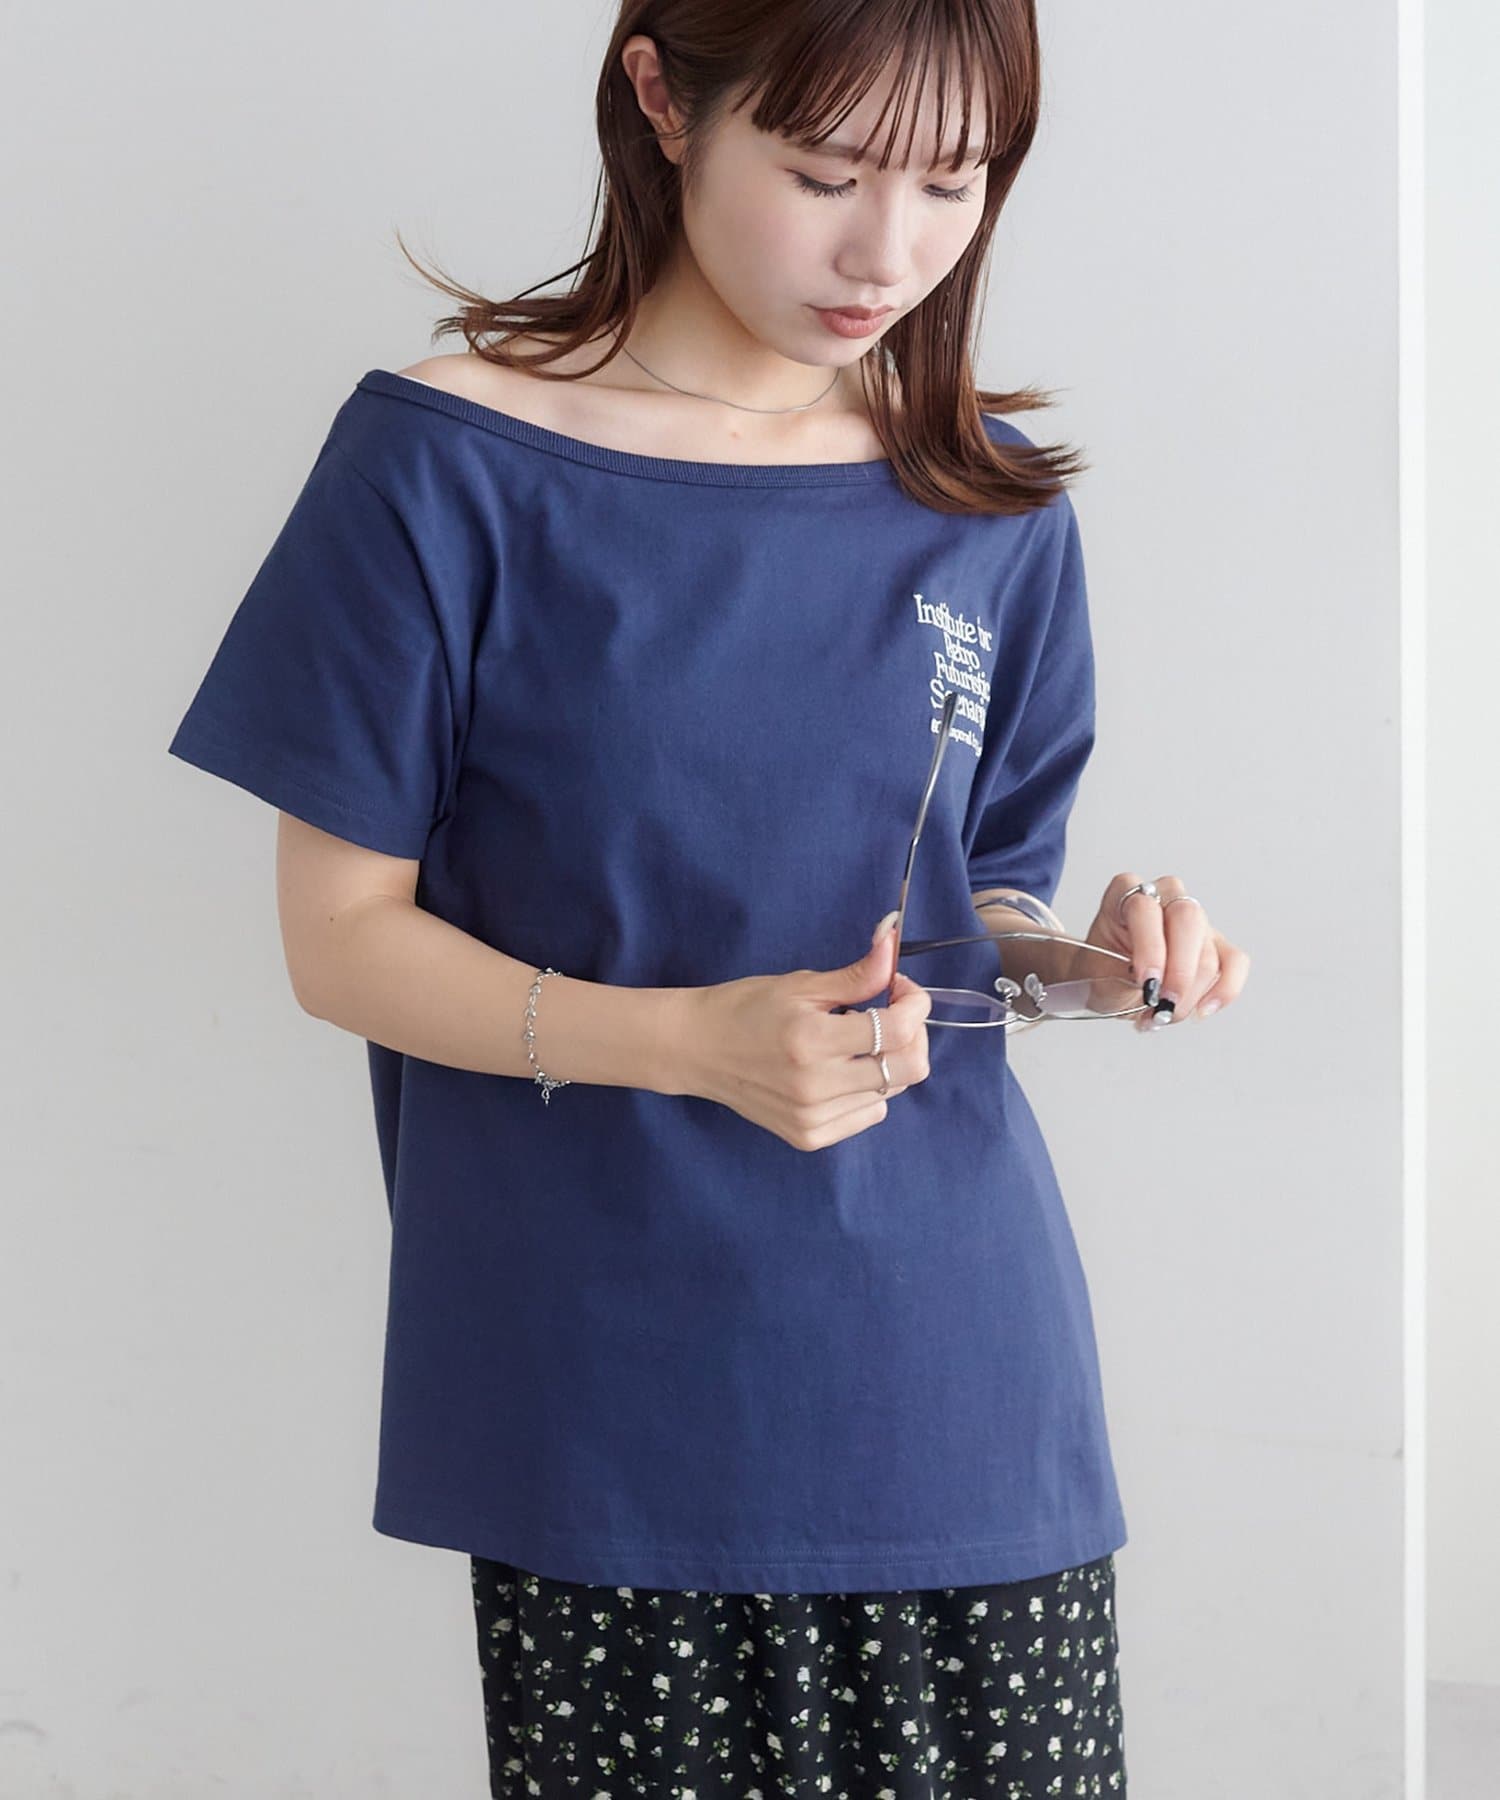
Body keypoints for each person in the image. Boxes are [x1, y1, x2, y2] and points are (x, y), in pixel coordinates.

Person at [167, 2, 1250, 1794]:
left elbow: (974, 912)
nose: (887, 252)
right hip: (609, 1393)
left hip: (955, 1377)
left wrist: (1097, 963)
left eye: (953, 183)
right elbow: (337, 942)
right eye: (825, 175)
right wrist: (687, 1045)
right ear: (665, 97)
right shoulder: (446, 465)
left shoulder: (986, 500)